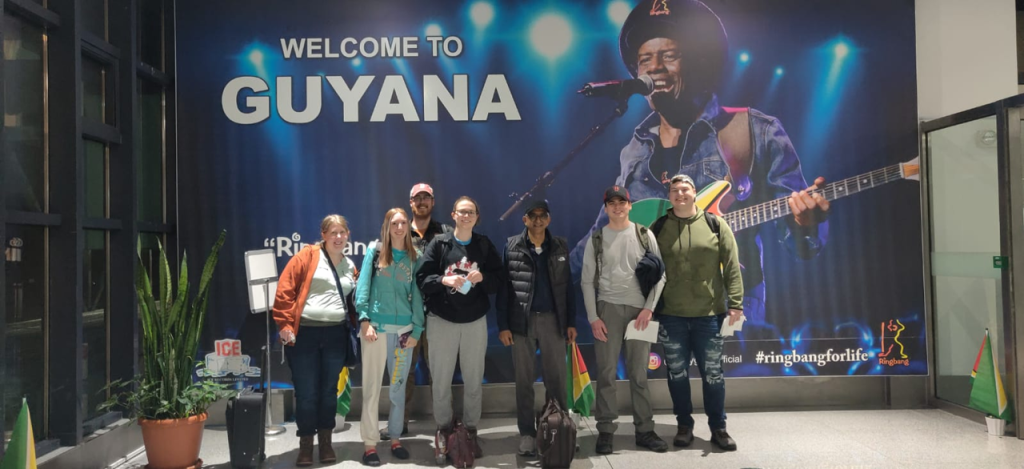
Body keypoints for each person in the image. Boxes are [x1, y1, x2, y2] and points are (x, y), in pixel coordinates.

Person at [570, 0, 830, 325]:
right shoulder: (636, 147)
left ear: (698, 63)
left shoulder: (754, 131)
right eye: (645, 60)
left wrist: (806, 225)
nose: (655, 68)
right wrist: (553, 274)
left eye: (669, 55)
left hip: (724, 307)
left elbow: (802, 246)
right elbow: (604, 233)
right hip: (652, 309)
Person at [652, 174, 743, 451]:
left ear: (694, 192)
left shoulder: (716, 224)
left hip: (709, 315)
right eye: (674, 190)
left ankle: (719, 428)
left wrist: (736, 304)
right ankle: (684, 426)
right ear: (669, 196)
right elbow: (649, 270)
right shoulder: (658, 228)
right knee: (677, 374)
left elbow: (731, 266)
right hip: (671, 315)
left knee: (713, 374)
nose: (680, 194)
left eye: (685, 189)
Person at [581, 186, 668, 454]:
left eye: (622, 202)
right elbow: (586, 281)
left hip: (640, 311)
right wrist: (594, 318)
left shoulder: (644, 234)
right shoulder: (596, 239)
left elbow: (660, 276)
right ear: (605, 208)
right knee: (606, 373)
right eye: (612, 203)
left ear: (630, 205)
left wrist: (648, 309)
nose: (617, 207)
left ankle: (645, 430)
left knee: (639, 373)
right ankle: (606, 430)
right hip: (607, 310)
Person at [415, 196, 503, 460]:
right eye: (462, 212)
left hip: (474, 321)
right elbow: (422, 279)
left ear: (477, 217)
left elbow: (500, 280)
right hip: (441, 321)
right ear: (453, 215)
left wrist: (484, 277)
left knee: (474, 379)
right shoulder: (439, 244)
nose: (466, 216)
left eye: (471, 212)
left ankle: (471, 430)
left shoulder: (484, 245)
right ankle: (443, 429)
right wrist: (444, 278)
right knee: (440, 380)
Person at [272, 214, 357, 467]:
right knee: (307, 393)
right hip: (305, 335)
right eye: (333, 232)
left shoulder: (350, 265)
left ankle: (327, 442)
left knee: (330, 392)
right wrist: (285, 324)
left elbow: (355, 300)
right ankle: (306, 445)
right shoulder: (306, 257)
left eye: (342, 232)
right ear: (323, 234)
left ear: (348, 235)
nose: (338, 237)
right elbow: (285, 290)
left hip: (335, 336)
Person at [496, 199, 577, 457]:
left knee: (556, 380)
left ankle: (560, 428)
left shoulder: (560, 245)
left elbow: (568, 288)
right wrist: (504, 325)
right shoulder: (512, 246)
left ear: (549, 219)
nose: (538, 220)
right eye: (533, 216)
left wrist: (571, 322)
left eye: (543, 216)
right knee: (524, 381)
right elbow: (504, 290)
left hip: (554, 320)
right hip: (523, 322)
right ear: (525, 220)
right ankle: (527, 434)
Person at [355, 208, 425, 466]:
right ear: (386, 226)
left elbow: (418, 296)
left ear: (408, 226)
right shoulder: (374, 253)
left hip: (403, 334)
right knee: (372, 388)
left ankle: (395, 438)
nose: (399, 228)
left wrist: (416, 330)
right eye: (394, 223)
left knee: (397, 389)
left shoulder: (414, 257)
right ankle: (370, 445)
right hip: (376, 331)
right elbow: (362, 287)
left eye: (403, 223)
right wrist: (364, 320)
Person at [396, 182, 452, 438]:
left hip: (436, 312)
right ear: (410, 203)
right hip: (405, 313)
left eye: (426, 198)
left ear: (433, 202)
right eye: (416, 198)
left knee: (439, 371)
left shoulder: (446, 232)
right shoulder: (399, 231)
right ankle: (399, 423)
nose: (421, 202)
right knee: (403, 371)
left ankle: (444, 424)